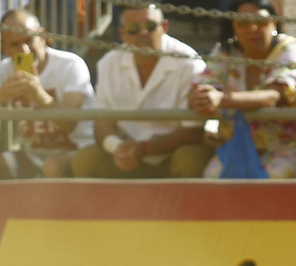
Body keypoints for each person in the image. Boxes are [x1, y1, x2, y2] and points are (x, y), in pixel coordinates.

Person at [71, 2, 213, 179]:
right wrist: (117, 147)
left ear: (164, 27)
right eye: (133, 28)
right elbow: (102, 123)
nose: (143, 33)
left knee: (191, 159)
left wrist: (145, 149)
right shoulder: (108, 63)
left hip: (171, 156)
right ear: (122, 33)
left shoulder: (190, 63)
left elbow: (194, 132)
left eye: (150, 26)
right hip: (126, 158)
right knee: (86, 160)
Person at [192, 0, 296, 179]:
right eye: (243, 23)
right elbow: (202, 87)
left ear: (274, 22)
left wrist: (221, 99)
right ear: (233, 27)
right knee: (212, 179)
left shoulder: (293, 50)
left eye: (261, 22)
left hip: (291, 145)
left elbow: (274, 96)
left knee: (273, 179)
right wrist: (202, 99)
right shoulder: (226, 52)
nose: (253, 28)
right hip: (237, 144)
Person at [0, 8, 93, 180]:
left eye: (28, 40)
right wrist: (2, 94)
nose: (24, 50)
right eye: (14, 44)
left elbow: (71, 123)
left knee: (53, 167)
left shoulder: (70, 64)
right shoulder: (4, 69)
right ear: (4, 47)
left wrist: (40, 97)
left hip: (77, 151)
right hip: (32, 155)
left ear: (43, 37)